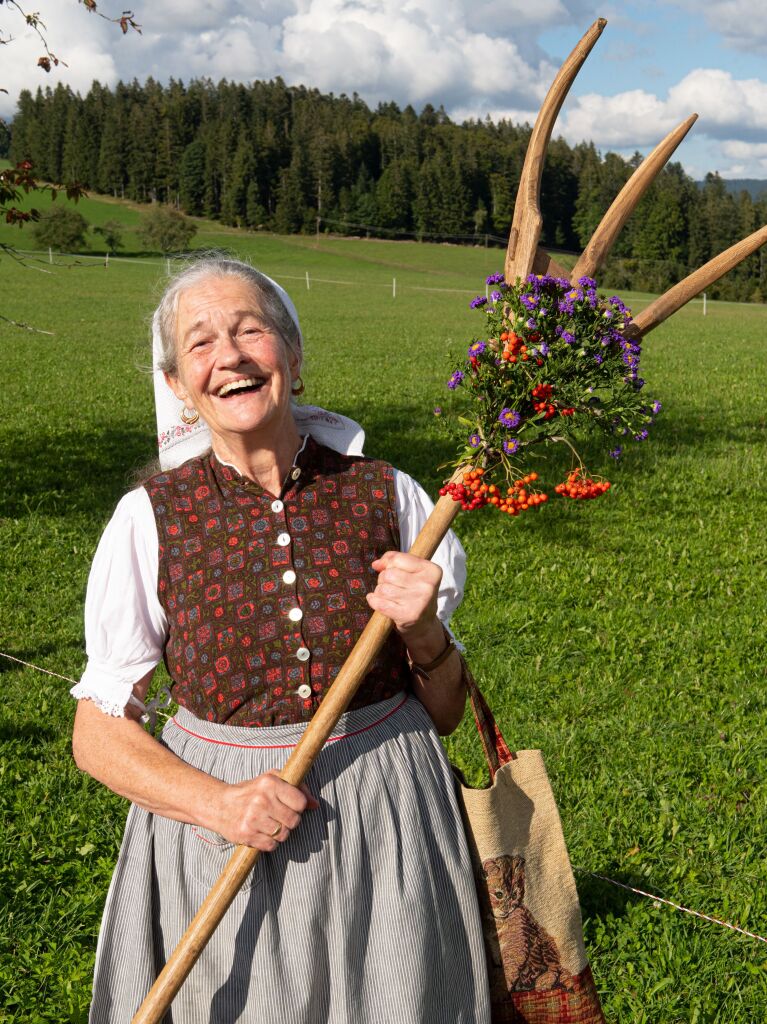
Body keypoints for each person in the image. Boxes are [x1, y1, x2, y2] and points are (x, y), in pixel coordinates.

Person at [71, 256, 491, 1023]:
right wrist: (217, 804)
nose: (227, 355)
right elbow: (97, 735)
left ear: (293, 361)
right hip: (218, 835)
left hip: (387, 820)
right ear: (176, 386)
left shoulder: (390, 495)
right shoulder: (149, 519)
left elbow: (442, 711)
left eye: (250, 330)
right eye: (199, 343)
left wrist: (423, 631)